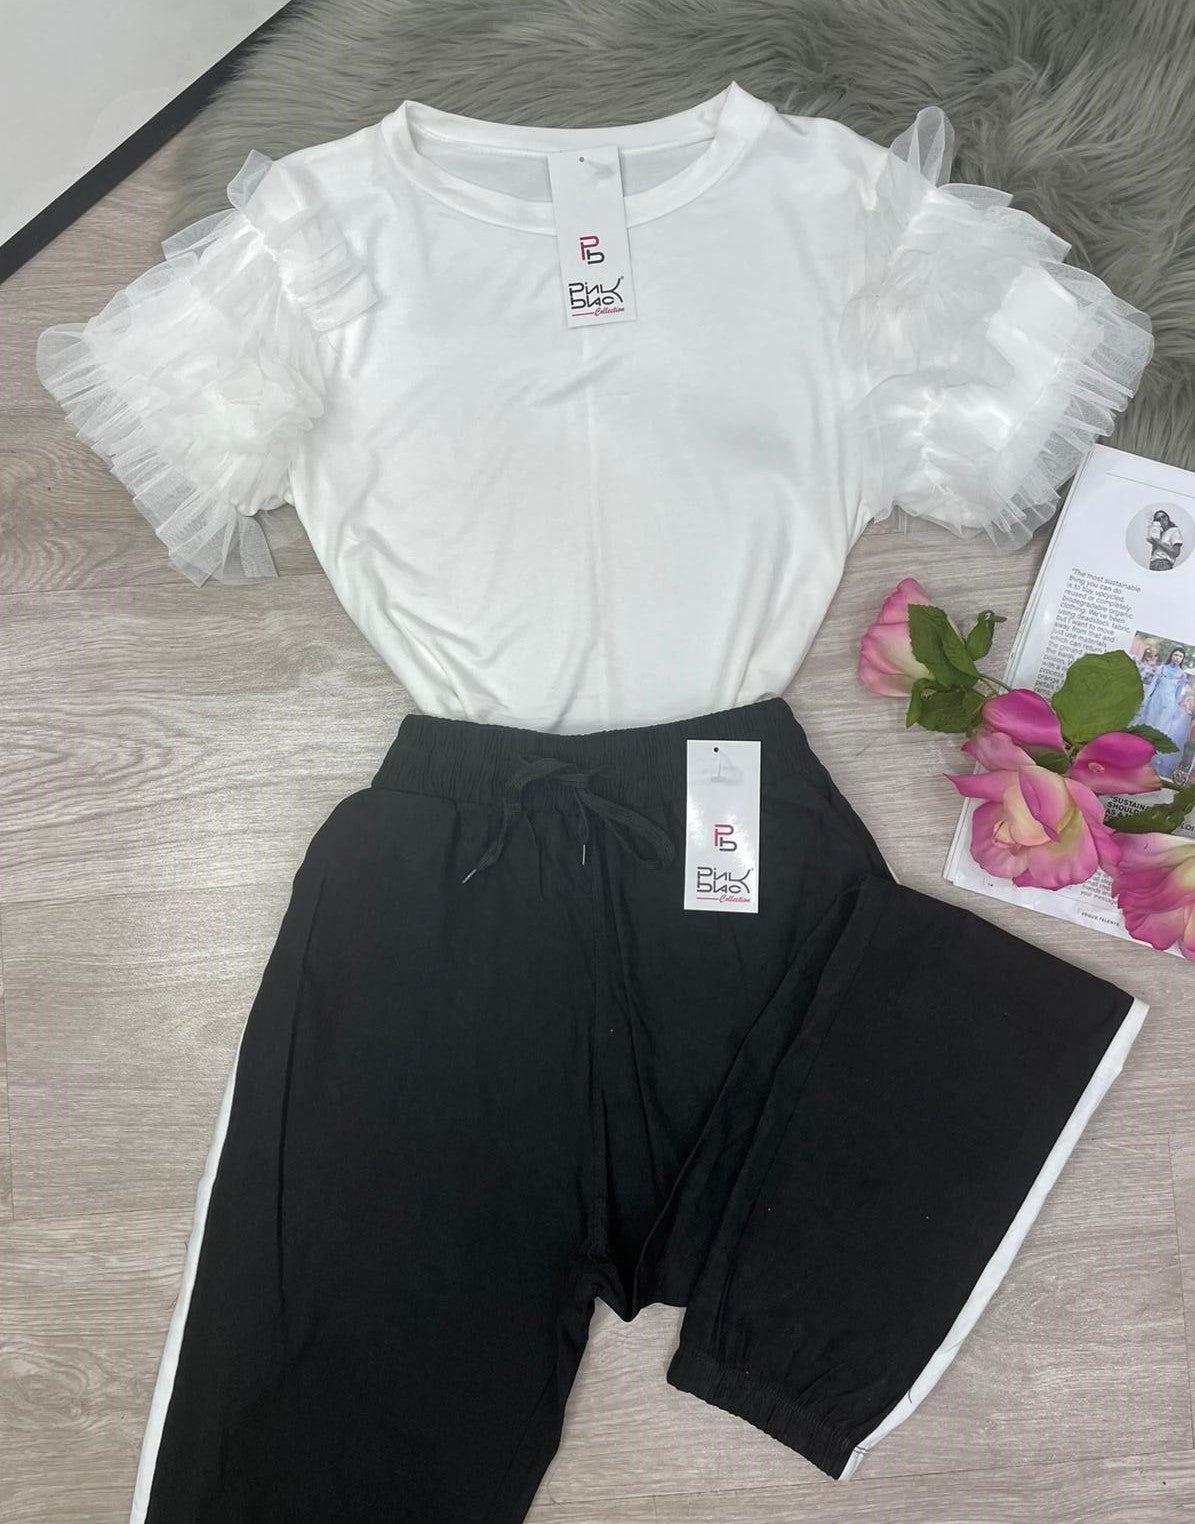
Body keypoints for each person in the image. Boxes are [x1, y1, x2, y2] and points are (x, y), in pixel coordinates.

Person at [1135, 646, 1191, 779]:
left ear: (1182, 659)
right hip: (1155, 701)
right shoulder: (1161, 669)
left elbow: (1177, 695)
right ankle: (1139, 753)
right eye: (1176, 655)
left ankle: (1149, 758)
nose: (1177, 658)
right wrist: (1146, 700)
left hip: (1169, 705)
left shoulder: (1181, 675)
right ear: (1171, 655)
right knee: (1149, 725)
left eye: (1180, 656)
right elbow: (1153, 686)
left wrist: (1174, 709)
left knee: (1159, 729)